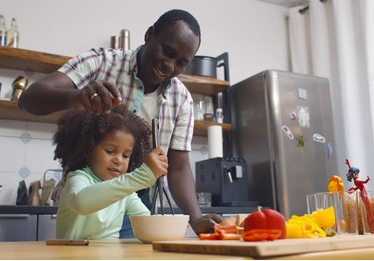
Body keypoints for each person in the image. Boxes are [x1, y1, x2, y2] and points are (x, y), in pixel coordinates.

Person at [18, 9, 222, 236]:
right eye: (167, 51)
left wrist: (195, 217)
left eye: (181, 63)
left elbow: (178, 166)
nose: (169, 66)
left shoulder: (182, 99)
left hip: (136, 197)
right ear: (149, 35)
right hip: (91, 191)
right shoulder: (101, 62)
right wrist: (75, 96)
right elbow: (28, 100)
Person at [53, 105, 168, 239]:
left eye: (126, 156)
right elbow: (81, 202)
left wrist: (168, 227)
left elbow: (148, 222)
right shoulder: (78, 178)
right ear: (87, 149)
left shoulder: (126, 193)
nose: (118, 160)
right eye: (109, 151)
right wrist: (142, 176)